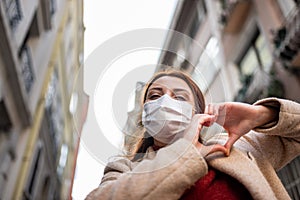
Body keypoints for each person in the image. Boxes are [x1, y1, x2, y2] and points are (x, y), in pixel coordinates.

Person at [86, 69, 300, 200]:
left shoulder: (237, 148)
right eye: (155, 96)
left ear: (197, 113)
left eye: (179, 97)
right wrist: (184, 152)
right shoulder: (124, 169)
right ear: (145, 114)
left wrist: (261, 115)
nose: (165, 102)